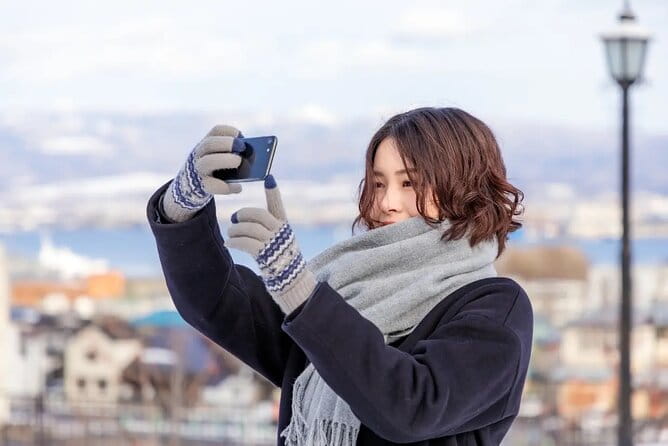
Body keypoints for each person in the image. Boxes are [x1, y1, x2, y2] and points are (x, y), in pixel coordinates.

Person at [146, 106, 533, 445]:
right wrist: (181, 206)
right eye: (378, 183)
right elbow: (220, 306)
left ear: (466, 188)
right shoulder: (344, 293)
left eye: (409, 183)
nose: (386, 202)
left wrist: (303, 294)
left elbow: (411, 407)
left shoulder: (495, 308)